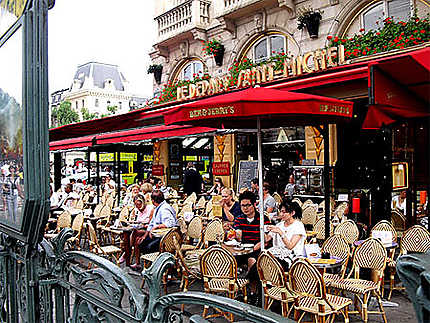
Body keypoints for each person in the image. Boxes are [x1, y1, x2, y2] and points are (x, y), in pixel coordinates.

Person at [133, 190, 177, 270]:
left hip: (166, 238)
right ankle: (147, 265)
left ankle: (156, 267)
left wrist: (157, 227)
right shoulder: (158, 208)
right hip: (157, 235)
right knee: (140, 241)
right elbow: (151, 224)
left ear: (153, 200)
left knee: (149, 246)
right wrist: (144, 236)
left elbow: (171, 224)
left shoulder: (164, 209)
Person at [123, 194, 155, 266]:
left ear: (143, 202)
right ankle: (137, 262)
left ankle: (127, 252)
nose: (137, 207)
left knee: (135, 232)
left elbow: (151, 223)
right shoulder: (137, 210)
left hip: (148, 230)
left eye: (139, 205)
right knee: (136, 238)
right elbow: (137, 221)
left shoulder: (150, 209)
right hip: (140, 229)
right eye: (136, 205)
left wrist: (143, 224)